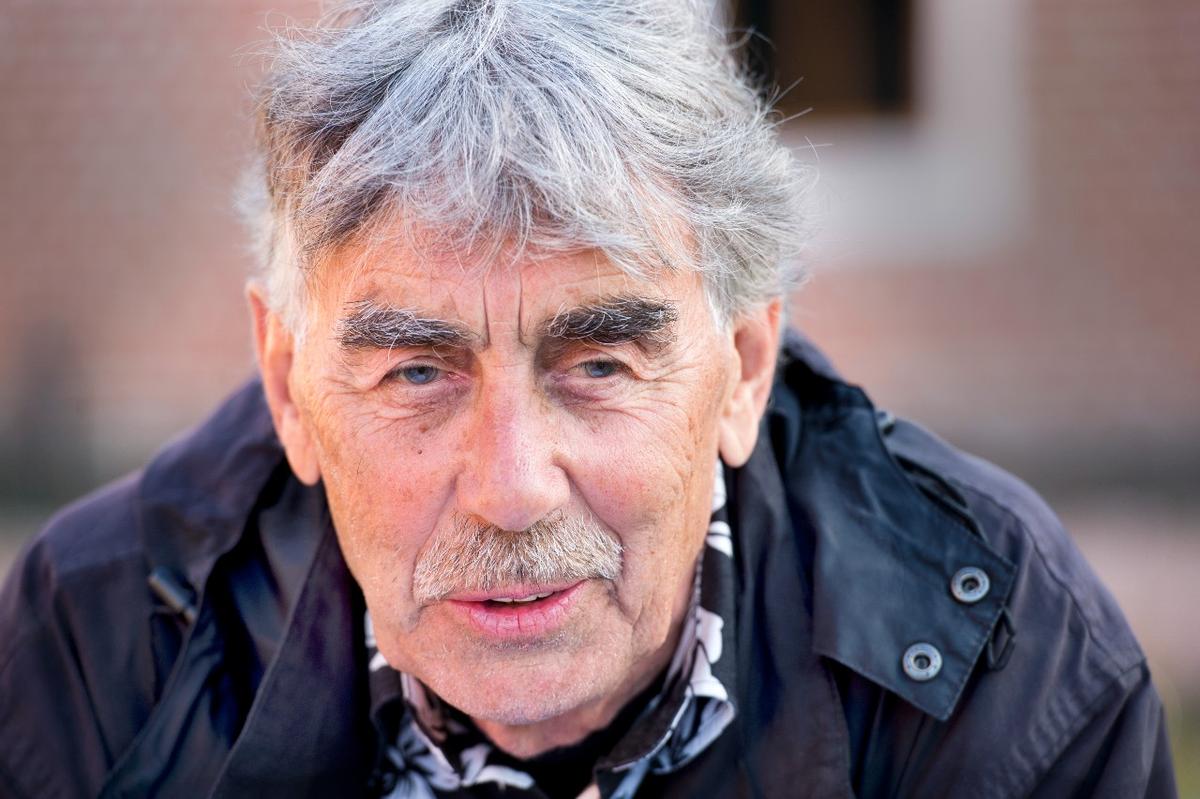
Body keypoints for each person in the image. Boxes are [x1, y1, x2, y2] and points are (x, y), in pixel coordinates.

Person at [0, 1, 1178, 796]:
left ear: (745, 366)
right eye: (418, 372)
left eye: (598, 366)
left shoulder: (1002, 665)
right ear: (289, 387)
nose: (512, 490)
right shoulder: (94, 650)